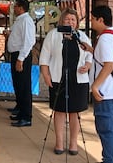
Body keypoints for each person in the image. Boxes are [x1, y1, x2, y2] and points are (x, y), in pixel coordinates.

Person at [39, 8, 92, 155]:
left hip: (78, 80)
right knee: (60, 111)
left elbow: (90, 55)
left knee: (74, 112)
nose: (70, 22)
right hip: (58, 78)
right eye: (67, 19)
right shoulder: (53, 35)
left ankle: (74, 143)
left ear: (77, 22)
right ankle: (59, 142)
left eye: (73, 19)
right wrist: (45, 74)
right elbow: (44, 57)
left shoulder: (82, 36)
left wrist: (87, 66)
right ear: (62, 20)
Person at [88, 5, 113, 163]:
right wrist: (91, 50)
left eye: (92, 19)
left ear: (100, 20)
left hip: (105, 92)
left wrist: (95, 86)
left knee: (105, 128)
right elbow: (106, 57)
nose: (90, 21)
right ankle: (112, 157)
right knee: (111, 126)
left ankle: (109, 159)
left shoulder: (105, 38)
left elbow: (109, 65)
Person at [6, 0, 35, 127]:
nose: (14, 9)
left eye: (16, 6)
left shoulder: (26, 21)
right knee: (18, 83)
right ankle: (21, 109)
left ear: (21, 7)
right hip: (16, 53)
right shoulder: (20, 20)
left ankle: (26, 116)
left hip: (21, 55)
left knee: (24, 85)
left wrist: (21, 58)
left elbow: (28, 41)